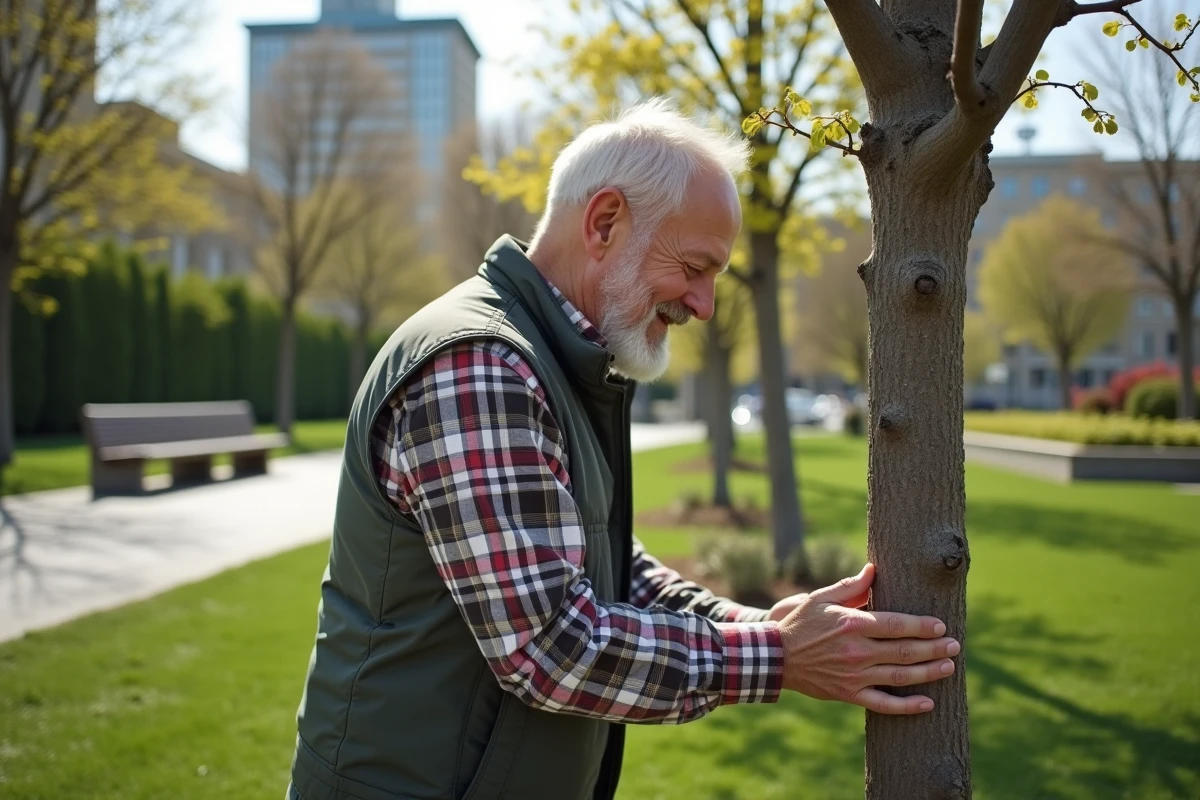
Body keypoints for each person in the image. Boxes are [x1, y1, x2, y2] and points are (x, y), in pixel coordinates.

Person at [285, 99, 960, 800]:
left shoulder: (556, 360)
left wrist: (766, 625)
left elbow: (610, 565)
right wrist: (777, 657)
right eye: (695, 267)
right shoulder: (480, 365)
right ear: (604, 222)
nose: (704, 306)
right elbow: (550, 649)